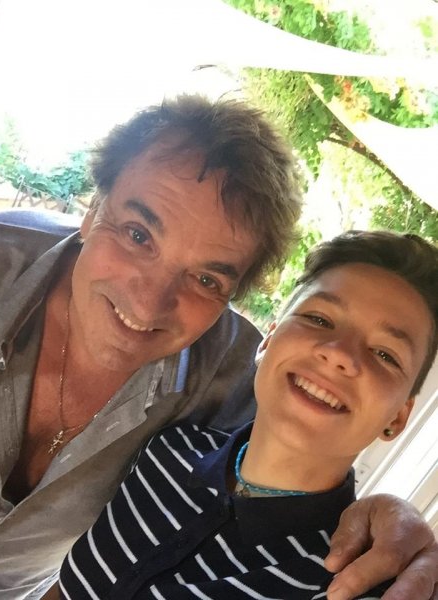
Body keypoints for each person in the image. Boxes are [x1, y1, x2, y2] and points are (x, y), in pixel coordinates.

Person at [0, 95, 436, 599]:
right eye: (138, 234)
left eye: (206, 279)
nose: (150, 302)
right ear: (93, 210)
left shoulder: (229, 377)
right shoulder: (170, 457)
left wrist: (400, 520)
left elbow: (310, 434)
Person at [54, 230, 438, 600]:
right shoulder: (167, 449)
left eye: (385, 355)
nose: (339, 354)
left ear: (397, 417)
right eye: (320, 319)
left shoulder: (354, 583)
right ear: (268, 340)